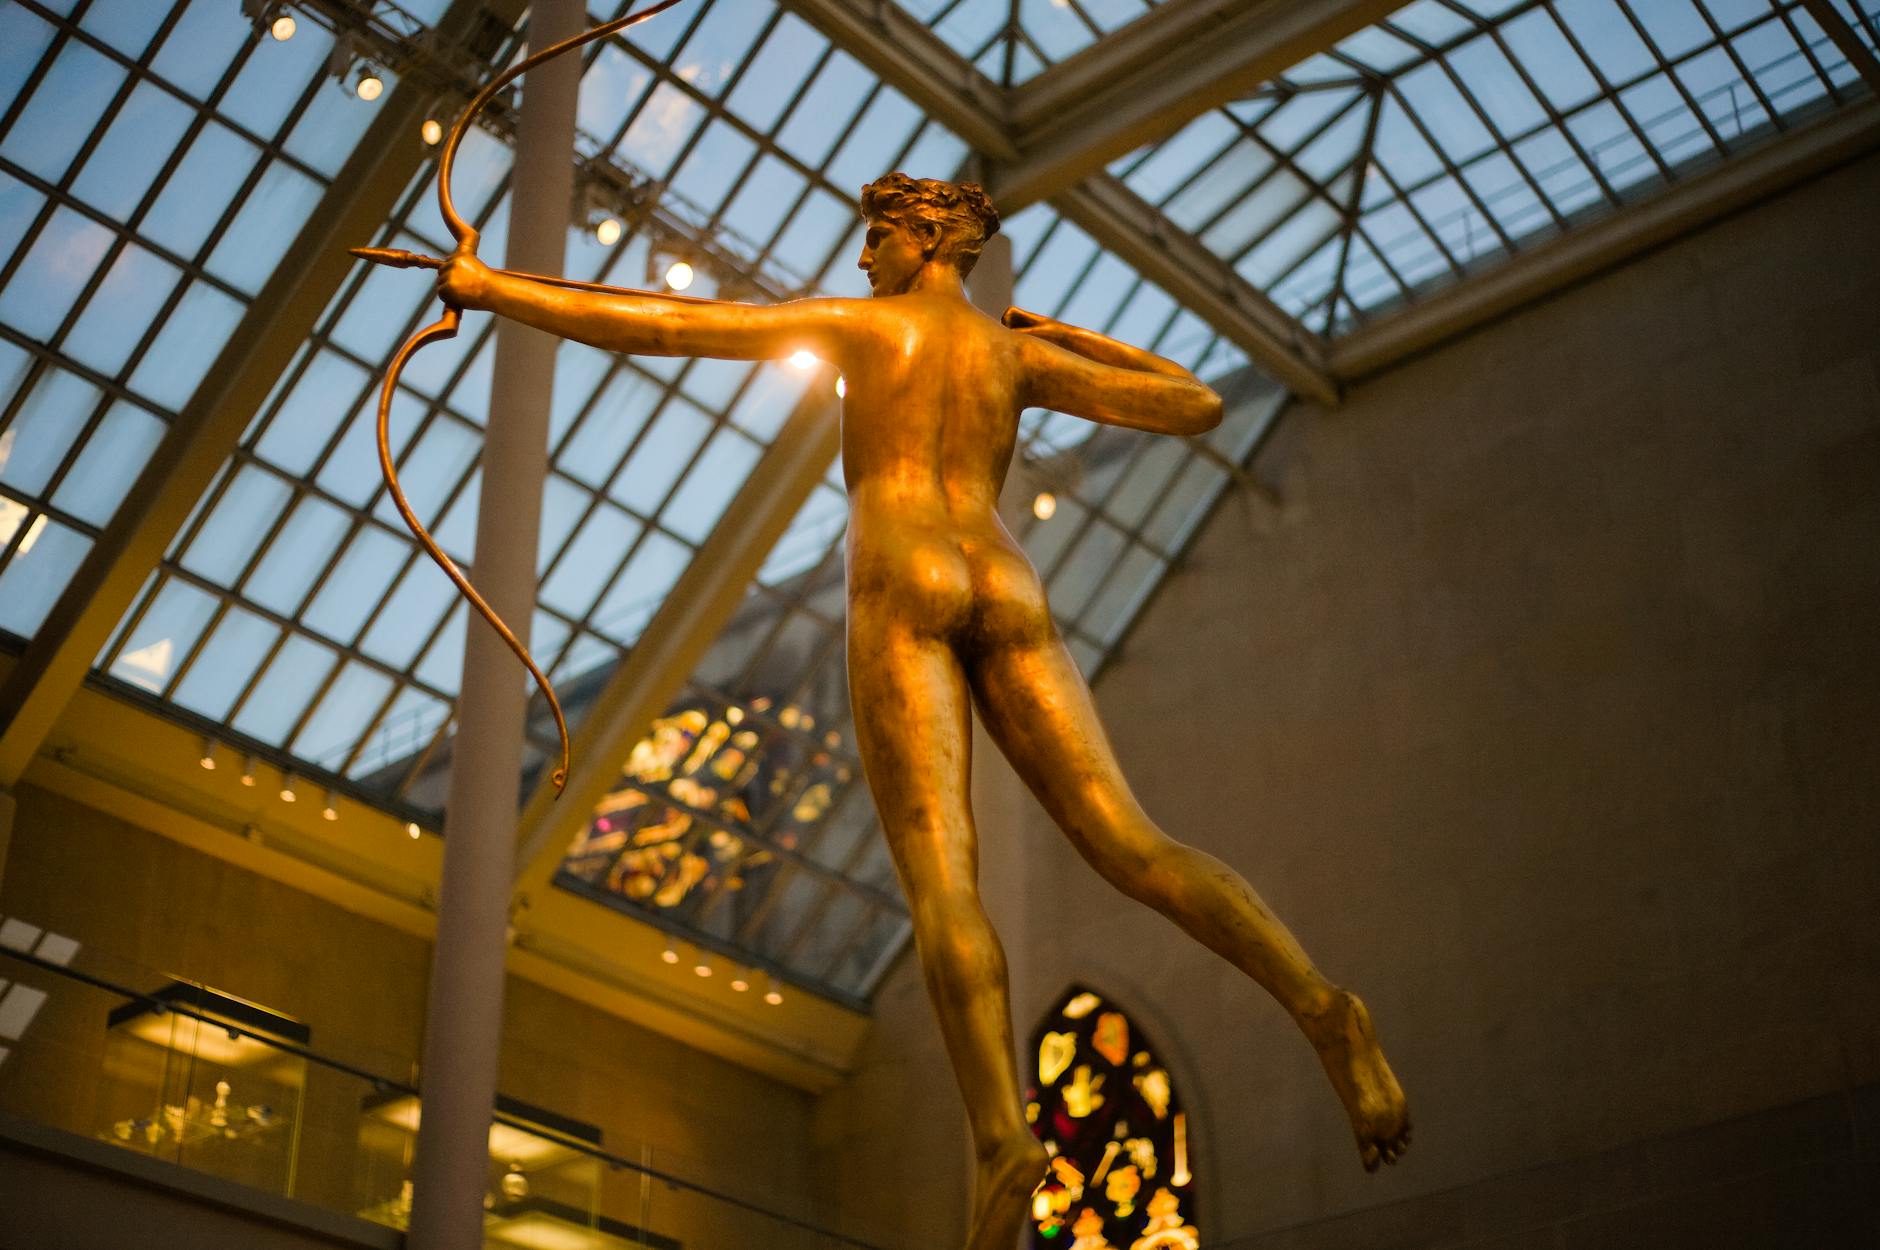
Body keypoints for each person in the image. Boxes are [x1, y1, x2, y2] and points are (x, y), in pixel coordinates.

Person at [439, 172, 1410, 1249]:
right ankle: (1321, 1002)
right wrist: (1067, 333)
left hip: (902, 577)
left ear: (918, 237)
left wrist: (492, 288)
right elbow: (1195, 401)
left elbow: (676, 322)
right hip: (1003, 577)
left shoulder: (867, 327)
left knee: (944, 875)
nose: (860, 260)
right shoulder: (1012, 355)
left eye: (873, 239)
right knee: (1133, 841)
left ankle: (1003, 1136)